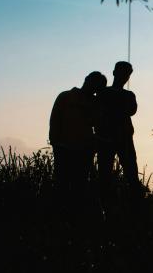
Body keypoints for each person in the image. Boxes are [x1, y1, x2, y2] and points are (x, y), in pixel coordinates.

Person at [49, 71, 107, 204]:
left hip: (84, 150)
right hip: (63, 147)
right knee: (62, 184)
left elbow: (98, 122)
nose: (93, 87)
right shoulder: (65, 96)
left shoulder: (96, 103)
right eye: (93, 82)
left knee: (79, 185)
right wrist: (55, 142)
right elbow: (55, 120)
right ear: (86, 79)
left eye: (97, 86)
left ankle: (75, 216)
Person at [97, 61, 142, 201]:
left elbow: (132, 110)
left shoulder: (129, 95)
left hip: (125, 139)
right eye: (123, 73)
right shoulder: (103, 92)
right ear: (114, 72)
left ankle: (136, 204)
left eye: (127, 74)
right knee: (104, 174)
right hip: (106, 139)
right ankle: (105, 204)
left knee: (132, 174)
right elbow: (98, 112)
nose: (125, 76)